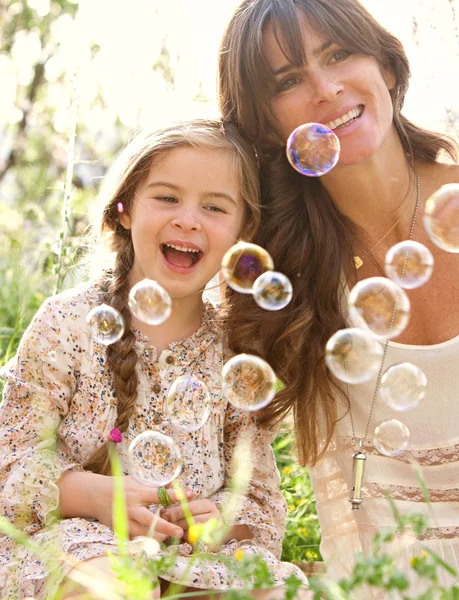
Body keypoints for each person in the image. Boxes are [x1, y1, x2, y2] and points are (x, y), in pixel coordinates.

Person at [0, 119, 307, 599]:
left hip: (198, 559)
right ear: (123, 210)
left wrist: (221, 520)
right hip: (81, 543)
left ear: (243, 232)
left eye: (214, 206)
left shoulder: (236, 352)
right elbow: (13, 457)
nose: (188, 219)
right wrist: (97, 496)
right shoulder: (67, 324)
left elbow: (260, 499)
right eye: (166, 197)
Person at [218, 0, 459, 594]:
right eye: (289, 80)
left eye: (338, 54)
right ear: (265, 125)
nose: (325, 89)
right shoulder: (278, 267)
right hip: (383, 582)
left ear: (387, 68)